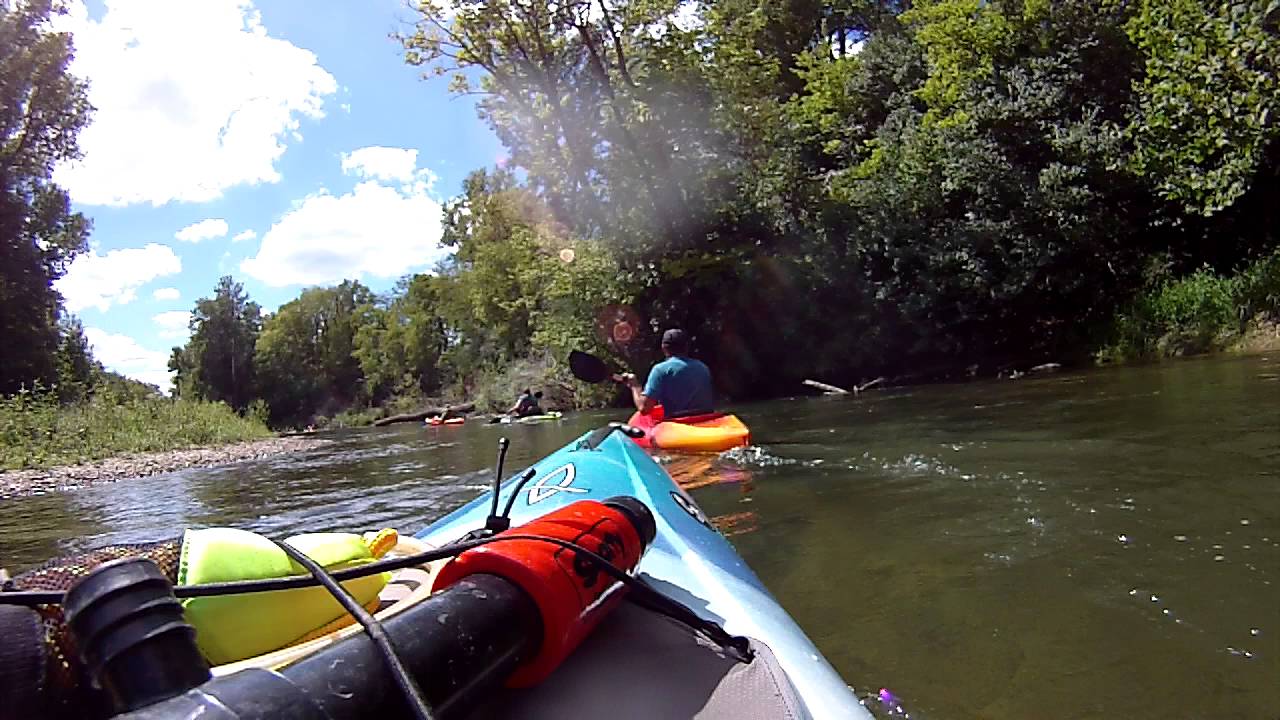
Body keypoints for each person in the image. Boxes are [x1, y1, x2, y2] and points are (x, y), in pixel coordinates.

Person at [618, 329, 713, 418]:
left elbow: (644, 408)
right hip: (705, 422)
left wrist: (635, 386)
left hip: (677, 426)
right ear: (686, 347)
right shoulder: (703, 367)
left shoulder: (660, 370)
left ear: (663, 348)